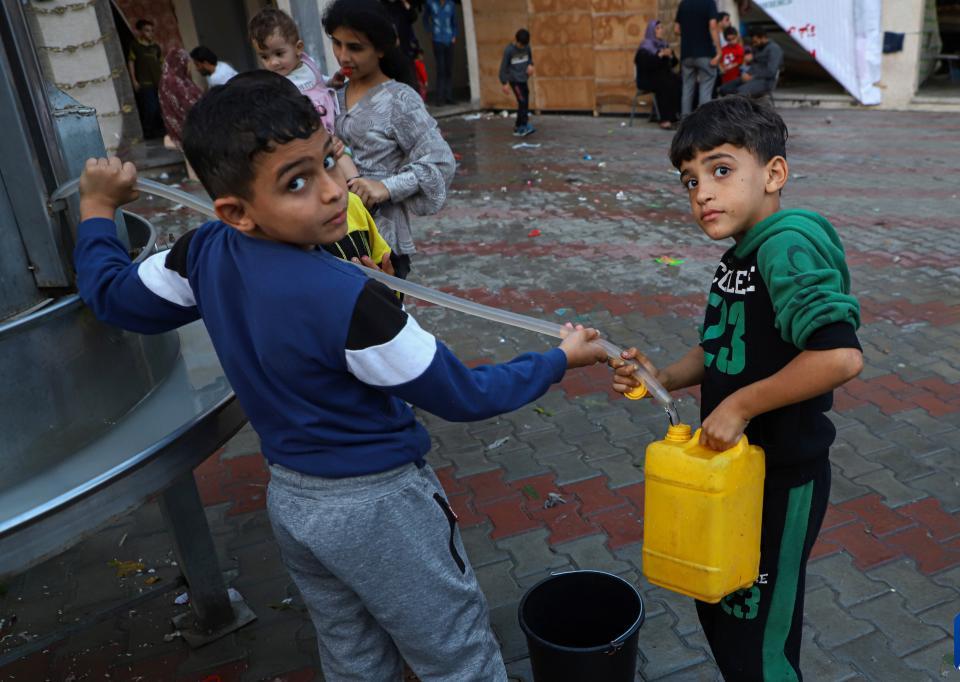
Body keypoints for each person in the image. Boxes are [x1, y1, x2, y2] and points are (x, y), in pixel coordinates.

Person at [73, 71, 609, 682]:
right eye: (297, 182)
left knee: (354, 655)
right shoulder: (349, 300)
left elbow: (112, 296)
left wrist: (97, 209)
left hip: (295, 504)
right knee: (457, 656)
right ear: (236, 211)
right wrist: (559, 360)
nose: (333, 192)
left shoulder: (201, 253)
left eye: (329, 160)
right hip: (382, 507)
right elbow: (465, 394)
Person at [611, 96, 863, 680]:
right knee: (726, 612)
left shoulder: (785, 245)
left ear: (774, 173)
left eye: (721, 170)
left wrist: (741, 405)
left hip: (780, 480)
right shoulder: (740, 256)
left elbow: (839, 356)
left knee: (759, 644)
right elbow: (724, 344)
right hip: (733, 478)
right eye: (690, 180)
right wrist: (662, 378)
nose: (702, 192)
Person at [325, 0, 455, 280]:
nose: (343, 56)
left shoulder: (400, 100)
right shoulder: (331, 96)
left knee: (382, 307)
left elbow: (441, 161)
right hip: (335, 236)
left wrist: (386, 187)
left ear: (381, 49)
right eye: (337, 43)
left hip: (382, 243)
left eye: (355, 47)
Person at [249, 8, 359, 183]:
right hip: (313, 133)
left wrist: (331, 82)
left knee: (345, 152)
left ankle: (357, 184)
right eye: (265, 57)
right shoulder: (277, 84)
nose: (273, 63)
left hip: (333, 120)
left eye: (279, 54)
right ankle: (354, 184)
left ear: (298, 48)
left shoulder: (308, 63)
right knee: (339, 155)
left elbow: (317, 80)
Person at [674, 0, 721, 116]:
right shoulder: (709, 3)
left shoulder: (683, 4)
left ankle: (685, 120)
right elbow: (713, 25)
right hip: (705, 52)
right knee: (706, 87)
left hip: (686, 53)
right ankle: (703, 121)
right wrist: (719, 51)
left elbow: (676, 29)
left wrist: (689, 35)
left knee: (687, 88)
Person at [634, 19, 681, 129]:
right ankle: (665, 119)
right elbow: (645, 65)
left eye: (661, 28)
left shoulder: (663, 45)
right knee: (664, 83)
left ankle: (675, 116)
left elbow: (674, 63)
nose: (661, 30)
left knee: (678, 81)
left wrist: (671, 56)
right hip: (646, 79)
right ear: (651, 31)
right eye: (658, 28)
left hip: (661, 77)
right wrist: (659, 55)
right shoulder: (645, 47)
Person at [158, 48, 202, 148]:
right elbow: (190, 105)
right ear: (181, 62)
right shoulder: (173, 81)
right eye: (188, 62)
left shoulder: (179, 78)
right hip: (188, 131)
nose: (190, 66)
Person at [720, 26, 782, 98]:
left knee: (740, 91)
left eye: (755, 41)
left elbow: (771, 71)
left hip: (765, 81)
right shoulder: (758, 47)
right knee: (724, 89)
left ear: (763, 37)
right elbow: (754, 64)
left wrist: (752, 77)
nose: (754, 44)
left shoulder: (774, 49)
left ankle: (740, 104)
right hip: (750, 76)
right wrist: (747, 70)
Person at [128, 19, 164, 139]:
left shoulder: (155, 47)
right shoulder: (135, 46)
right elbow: (131, 63)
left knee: (160, 108)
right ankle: (148, 132)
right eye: (147, 30)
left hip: (158, 81)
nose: (150, 33)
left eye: (152, 31)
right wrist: (134, 80)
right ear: (141, 32)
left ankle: (160, 131)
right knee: (150, 108)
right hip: (145, 83)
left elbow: (161, 63)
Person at [500, 28, 536, 137]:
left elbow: (530, 59)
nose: (522, 47)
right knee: (522, 101)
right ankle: (522, 126)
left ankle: (519, 124)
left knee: (525, 101)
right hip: (514, 80)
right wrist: (504, 83)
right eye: (521, 45)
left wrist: (531, 65)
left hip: (523, 79)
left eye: (524, 45)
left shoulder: (527, 47)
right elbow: (503, 68)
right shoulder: (509, 50)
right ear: (517, 41)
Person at [423, 0, 458, 104]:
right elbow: (425, 19)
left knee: (448, 69)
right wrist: (429, 32)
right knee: (440, 69)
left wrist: (454, 36)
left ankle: (449, 97)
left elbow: (454, 21)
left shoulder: (450, 4)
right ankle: (440, 98)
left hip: (449, 40)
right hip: (437, 40)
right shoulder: (430, 3)